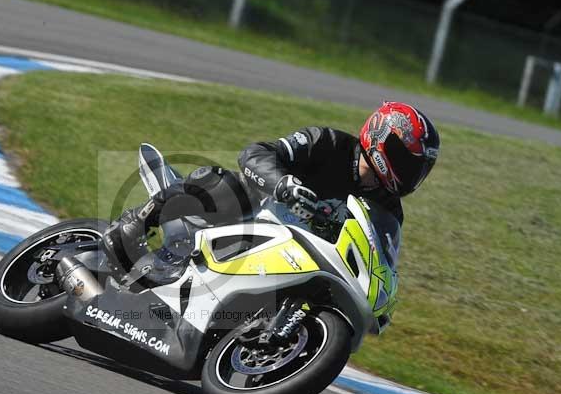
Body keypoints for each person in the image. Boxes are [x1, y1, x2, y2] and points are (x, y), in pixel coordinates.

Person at [102, 101, 440, 274]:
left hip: (290, 258)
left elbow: (378, 257)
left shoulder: (388, 207)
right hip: (252, 218)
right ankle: (136, 222)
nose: (409, 173)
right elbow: (255, 154)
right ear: (380, 138)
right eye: (405, 159)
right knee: (222, 183)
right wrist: (283, 185)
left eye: (417, 167)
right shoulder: (327, 143)